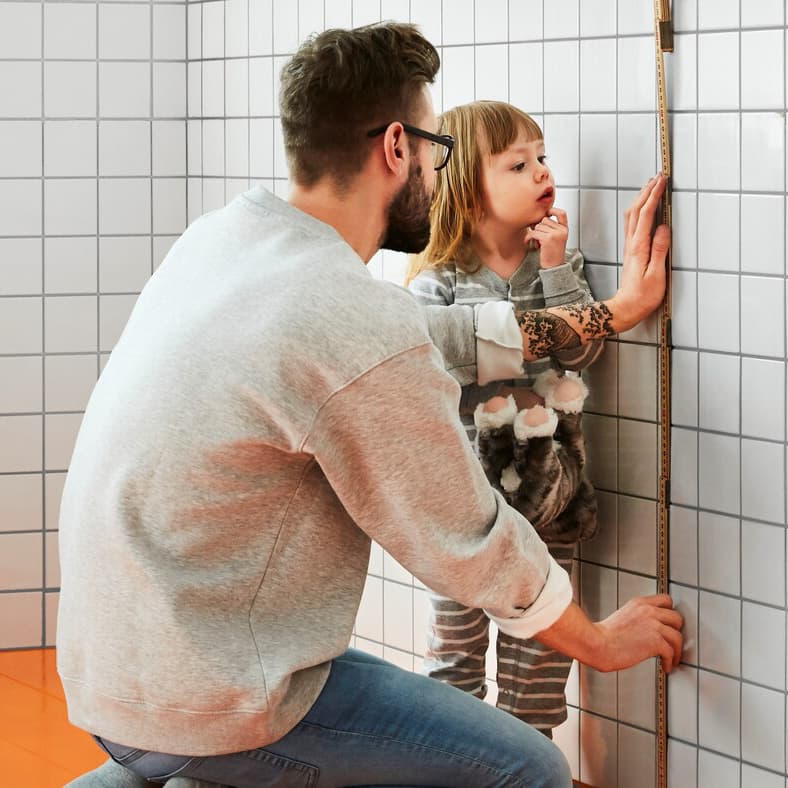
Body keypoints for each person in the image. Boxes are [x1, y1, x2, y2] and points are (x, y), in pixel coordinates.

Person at [60, 22, 680, 788]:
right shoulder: (343, 310)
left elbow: (438, 335)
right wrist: (600, 643)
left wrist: (610, 313)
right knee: (529, 769)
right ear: (397, 147)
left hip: (115, 678)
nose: (437, 172)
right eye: (436, 149)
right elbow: (465, 536)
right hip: (219, 695)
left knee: (190, 767)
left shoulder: (221, 241)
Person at [408, 100, 601, 736]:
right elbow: (426, 369)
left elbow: (582, 350)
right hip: (466, 507)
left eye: (541, 157)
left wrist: (557, 268)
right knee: (456, 652)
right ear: (467, 187)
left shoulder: (556, 263)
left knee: (539, 661)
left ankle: (530, 758)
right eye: (518, 164)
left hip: (549, 496)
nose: (542, 172)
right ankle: (452, 761)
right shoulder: (439, 280)